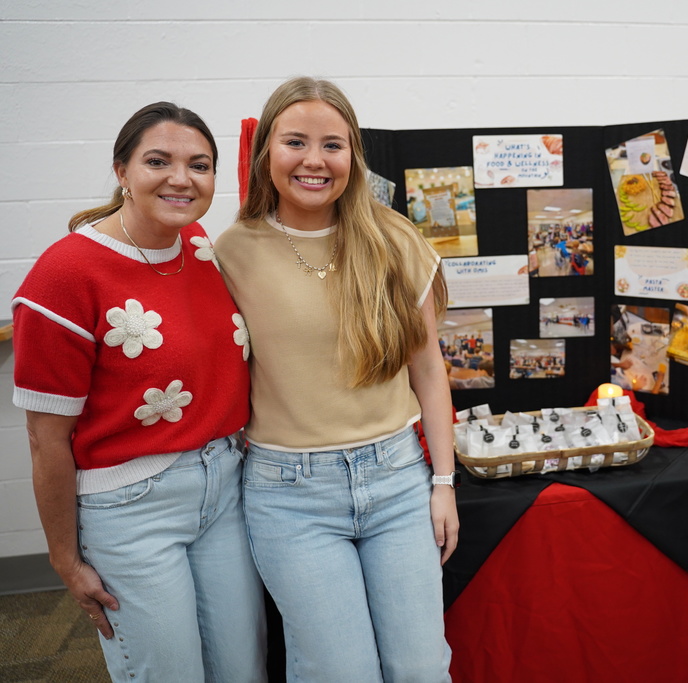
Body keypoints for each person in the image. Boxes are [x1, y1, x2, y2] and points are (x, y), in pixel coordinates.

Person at [12, 102, 266, 681]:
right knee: (168, 671)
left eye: (199, 165)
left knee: (242, 666)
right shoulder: (64, 277)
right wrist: (65, 558)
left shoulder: (199, 246)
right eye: (159, 161)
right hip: (130, 509)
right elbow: (44, 440)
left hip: (224, 489)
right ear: (122, 170)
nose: (181, 178)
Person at [215, 77, 458, 682]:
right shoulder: (230, 252)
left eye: (334, 144)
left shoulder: (392, 239)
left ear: (354, 155)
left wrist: (444, 483)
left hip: (398, 481)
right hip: (289, 495)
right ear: (265, 151)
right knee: (337, 670)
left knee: (422, 667)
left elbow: (428, 369)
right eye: (295, 142)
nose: (315, 161)